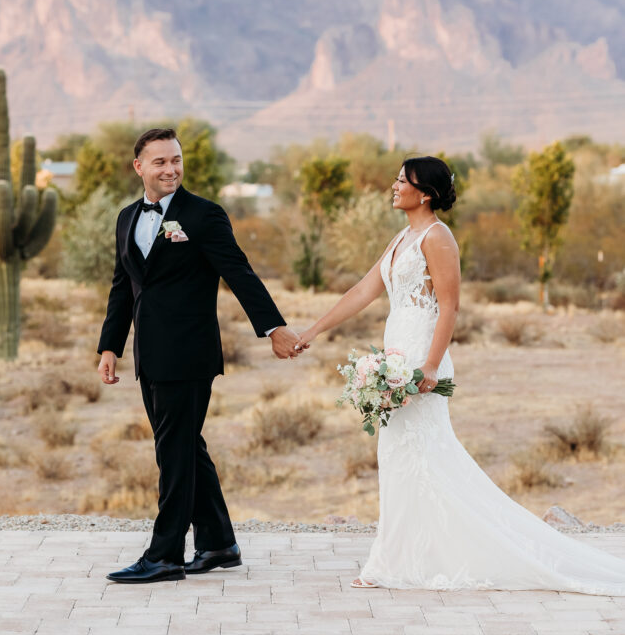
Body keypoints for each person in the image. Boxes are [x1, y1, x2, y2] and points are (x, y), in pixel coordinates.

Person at [298, 155, 625, 593]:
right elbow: (363, 290)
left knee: (424, 457)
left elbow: (450, 305)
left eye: (402, 181)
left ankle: (400, 561)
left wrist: (431, 364)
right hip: (395, 353)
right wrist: (312, 331)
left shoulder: (438, 237)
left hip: (421, 359)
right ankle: (397, 558)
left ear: (426, 193)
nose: (393, 187)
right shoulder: (402, 238)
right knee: (400, 459)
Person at [97, 127, 303, 583]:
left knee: (173, 453)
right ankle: (217, 544)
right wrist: (110, 345)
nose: (170, 169)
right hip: (147, 356)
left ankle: (165, 555)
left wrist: (274, 327)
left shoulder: (204, 215)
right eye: (160, 162)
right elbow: (123, 287)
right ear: (139, 167)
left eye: (176, 160)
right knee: (185, 447)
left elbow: (239, 272)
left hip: (189, 355)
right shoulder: (127, 217)